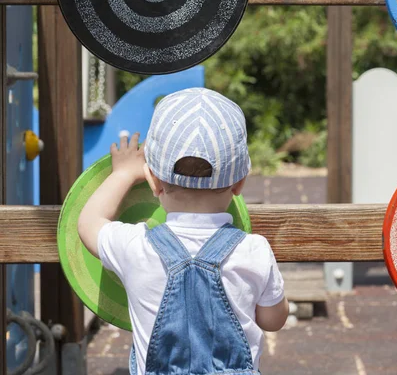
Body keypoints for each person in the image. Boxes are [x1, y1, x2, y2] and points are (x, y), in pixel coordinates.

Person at [78, 88, 289, 375]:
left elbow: (88, 223)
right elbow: (273, 320)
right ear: (239, 185)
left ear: (153, 182)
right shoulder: (254, 250)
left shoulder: (136, 247)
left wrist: (124, 174)